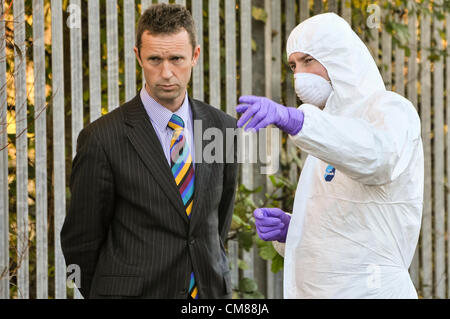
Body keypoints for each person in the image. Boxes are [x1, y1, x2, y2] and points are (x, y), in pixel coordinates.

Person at [236, 13, 423, 298]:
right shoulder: (326, 131)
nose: (299, 74)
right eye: (293, 65)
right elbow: (348, 226)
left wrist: (298, 121)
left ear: (339, 57)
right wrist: (294, 229)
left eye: (308, 60)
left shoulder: (389, 109)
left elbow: (377, 157)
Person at [61, 3, 238, 299]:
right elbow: (81, 241)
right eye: (155, 59)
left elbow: (216, 224)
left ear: (194, 56)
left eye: (176, 59)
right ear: (138, 57)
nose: (166, 72)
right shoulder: (102, 138)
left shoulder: (223, 129)